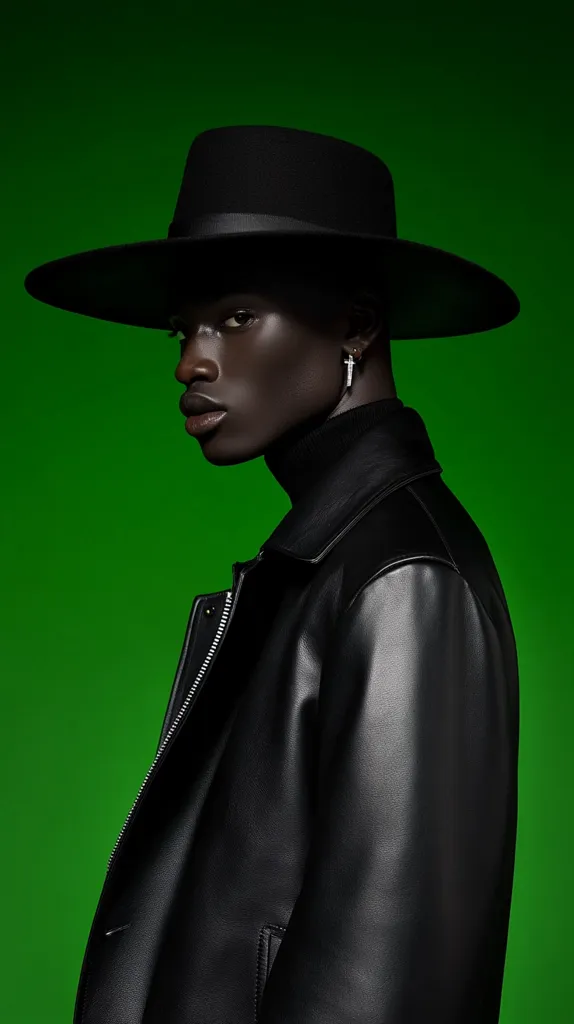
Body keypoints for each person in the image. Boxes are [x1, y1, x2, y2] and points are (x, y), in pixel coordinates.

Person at [24, 124, 521, 1024]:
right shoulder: (322, 566)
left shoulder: (402, 579)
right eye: (183, 329)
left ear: (358, 326)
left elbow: (389, 989)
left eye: (236, 317)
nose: (190, 362)